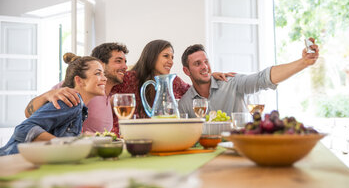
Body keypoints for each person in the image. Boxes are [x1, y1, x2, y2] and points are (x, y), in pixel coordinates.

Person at [111, 39, 233, 135]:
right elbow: (107, 97)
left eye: (172, 57)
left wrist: (209, 77)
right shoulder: (129, 79)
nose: (171, 61)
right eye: (166, 56)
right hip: (127, 137)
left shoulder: (174, 82)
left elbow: (196, 90)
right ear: (151, 56)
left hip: (163, 137)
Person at [178, 39, 319, 118]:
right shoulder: (185, 104)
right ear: (186, 71)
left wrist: (303, 63)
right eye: (197, 64)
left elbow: (263, 78)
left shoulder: (231, 83)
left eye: (206, 61)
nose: (205, 67)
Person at [0, 53, 107, 155]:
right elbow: (23, 128)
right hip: (9, 161)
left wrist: (82, 139)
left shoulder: (79, 107)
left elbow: (57, 132)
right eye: (98, 73)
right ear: (79, 81)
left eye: (104, 74)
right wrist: (66, 146)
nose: (104, 78)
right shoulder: (71, 102)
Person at [23, 43, 129, 134]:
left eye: (125, 62)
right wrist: (48, 95)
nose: (125, 67)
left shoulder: (108, 97)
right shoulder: (79, 86)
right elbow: (28, 115)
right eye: (118, 61)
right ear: (100, 64)